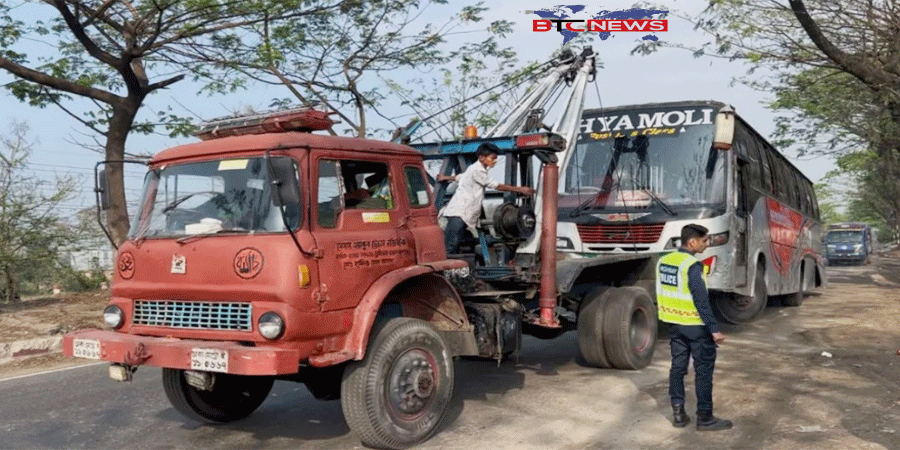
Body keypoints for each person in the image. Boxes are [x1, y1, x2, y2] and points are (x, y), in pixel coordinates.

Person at [656, 224, 733, 431]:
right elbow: (701, 301)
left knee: (678, 368)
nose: (706, 245)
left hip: (674, 325)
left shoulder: (664, 262)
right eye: (704, 240)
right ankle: (705, 418)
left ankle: (678, 414)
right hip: (696, 327)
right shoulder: (692, 266)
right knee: (703, 372)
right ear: (692, 242)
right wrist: (714, 329)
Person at [437, 143, 535, 255]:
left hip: (460, 213)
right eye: (492, 158)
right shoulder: (478, 170)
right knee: (450, 247)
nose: (494, 161)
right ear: (482, 157)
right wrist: (519, 189)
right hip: (461, 213)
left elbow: (460, 177)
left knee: (457, 243)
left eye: (496, 158)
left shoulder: (472, 168)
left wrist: (445, 177)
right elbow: (496, 185)